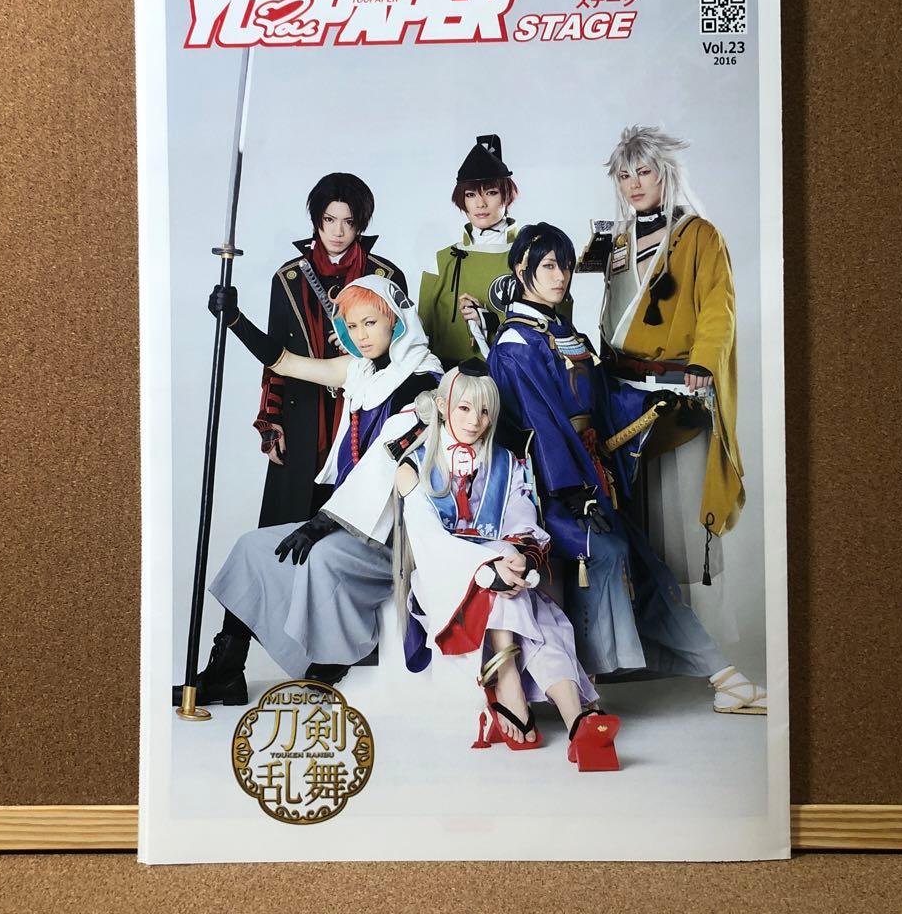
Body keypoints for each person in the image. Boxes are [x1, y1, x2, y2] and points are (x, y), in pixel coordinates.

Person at [488, 223, 766, 715]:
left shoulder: (565, 333)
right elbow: (541, 424)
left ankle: (724, 678)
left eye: (565, 265)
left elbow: (603, 397)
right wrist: (572, 491)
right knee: (609, 551)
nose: (560, 276)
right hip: (545, 490)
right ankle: (586, 693)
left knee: (646, 561)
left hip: (591, 476)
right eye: (548, 266)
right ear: (521, 269)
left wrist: (655, 403)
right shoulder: (514, 344)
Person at [326, 360, 619, 770]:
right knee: (509, 597)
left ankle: (577, 726)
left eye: (484, 411)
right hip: (443, 579)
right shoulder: (413, 466)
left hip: (500, 570)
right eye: (464, 408)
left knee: (539, 615)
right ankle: (525, 692)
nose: (475, 421)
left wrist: (518, 559)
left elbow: (521, 521)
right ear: (443, 406)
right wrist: (488, 567)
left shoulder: (508, 463)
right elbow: (429, 541)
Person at [172, 274, 440, 706]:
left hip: (393, 534)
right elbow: (286, 363)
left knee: (323, 556)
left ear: (395, 320)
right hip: (348, 520)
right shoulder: (362, 372)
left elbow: (386, 461)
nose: (361, 335)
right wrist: (235, 320)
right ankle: (227, 672)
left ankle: (329, 662)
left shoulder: (423, 382)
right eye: (352, 326)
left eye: (371, 323)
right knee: (251, 547)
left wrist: (320, 524)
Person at [578, 126, 742, 643]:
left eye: (643, 172)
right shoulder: (617, 240)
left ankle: (704, 641)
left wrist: (704, 364)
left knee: (685, 519)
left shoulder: (700, 235)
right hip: (623, 396)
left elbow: (718, 309)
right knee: (637, 516)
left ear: (665, 174)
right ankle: (651, 637)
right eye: (624, 175)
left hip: (677, 394)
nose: (633, 184)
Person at [250, 173, 406, 528]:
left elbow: (403, 353)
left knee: (355, 527)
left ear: (360, 224)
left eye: (348, 222)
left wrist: (361, 346)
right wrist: (271, 420)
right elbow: (275, 356)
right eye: (329, 220)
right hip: (303, 411)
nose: (337, 231)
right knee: (288, 526)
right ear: (317, 220)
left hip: (364, 415)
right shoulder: (289, 279)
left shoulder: (386, 277)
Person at [418, 134, 535, 369]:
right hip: (450, 378)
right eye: (471, 195)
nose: (480, 204)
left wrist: (489, 321)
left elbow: (551, 326)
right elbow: (421, 334)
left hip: (515, 373)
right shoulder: (442, 260)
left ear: (506, 196)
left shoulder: (531, 254)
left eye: (491, 192)